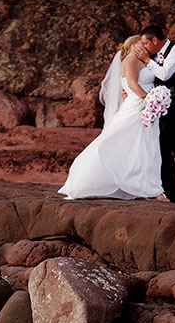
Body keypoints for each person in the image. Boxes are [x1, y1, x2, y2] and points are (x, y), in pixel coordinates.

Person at [58, 34, 164, 201]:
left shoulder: (143, 61)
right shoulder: (130, 60)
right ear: (132, 45)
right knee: (120, 141)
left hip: (142, 107)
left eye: (145, 44)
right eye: (140, 44)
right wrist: (150, 101)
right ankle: (87, 178)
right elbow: (132, 84)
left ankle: (145, 186)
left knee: (141, 146)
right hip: (138, 106)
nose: (144, 47)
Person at [132, 24, 175, 208]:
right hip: (159, 109)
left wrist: (147, 60)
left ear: (155, 41)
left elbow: (164, 74)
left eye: (146, 43)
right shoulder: (152, 55)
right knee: (162, 152)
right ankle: (173, 195)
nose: (144, 47)